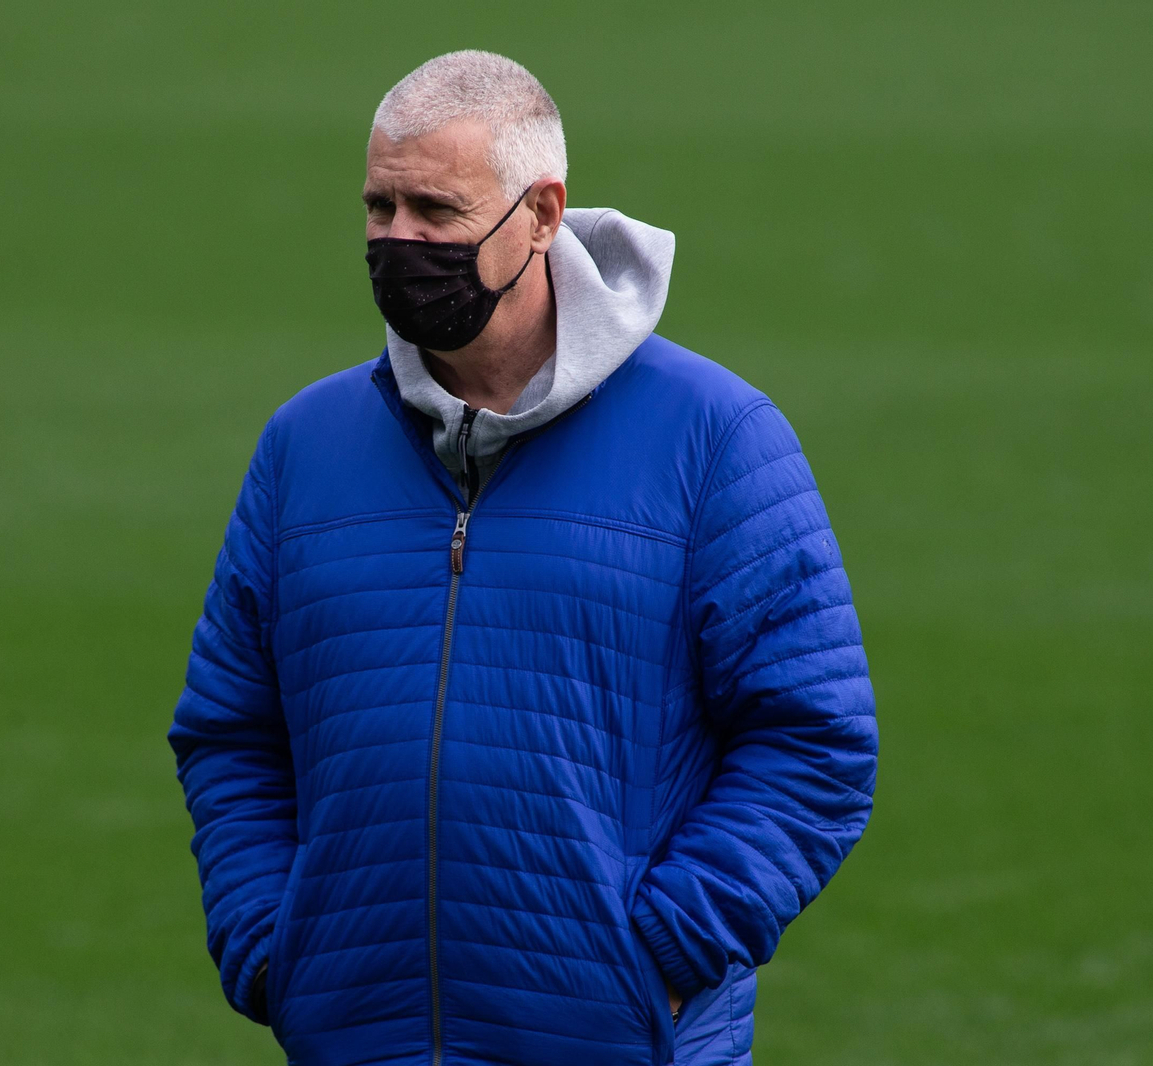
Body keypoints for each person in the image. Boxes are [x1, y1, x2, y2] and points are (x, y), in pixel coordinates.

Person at [168, 50, 877, 1066]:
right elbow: (230, 729)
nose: (399, 240)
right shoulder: (303, 447)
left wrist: (656, 960)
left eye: (435, 210)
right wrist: (272, 948)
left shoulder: (715, 439)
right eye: (379, 207)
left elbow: (814, 739)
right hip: (361, 1040)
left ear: (542, 215)